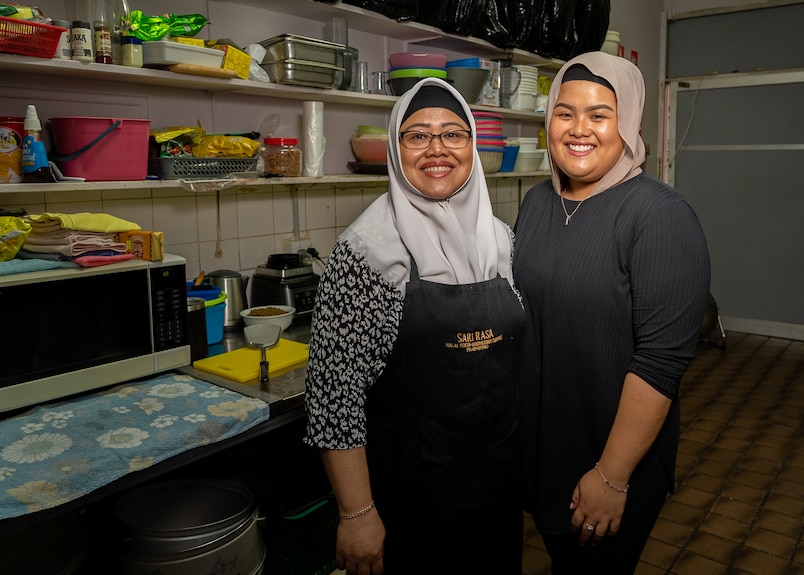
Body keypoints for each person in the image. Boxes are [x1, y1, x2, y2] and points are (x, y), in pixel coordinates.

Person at [304, 77, 526, 575]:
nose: (437, 149)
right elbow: (333, 399)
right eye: (417, 135)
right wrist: (357, 515)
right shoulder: (367, 252)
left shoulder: (503, 241)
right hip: (410, 493)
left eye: (453, 133)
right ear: (394, 148)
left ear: (472, 144)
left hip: (496, 484)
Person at [512, 51, 711, 574]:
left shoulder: (659, 216)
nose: (580, 129)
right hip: (547, 444)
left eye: (600, 115)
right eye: (564, 112)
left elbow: (660, 362)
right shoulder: (536, 203)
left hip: (610, 457)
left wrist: (611, 476)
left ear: (627, 125)